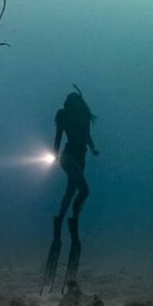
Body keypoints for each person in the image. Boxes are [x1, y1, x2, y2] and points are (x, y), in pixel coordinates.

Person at [53, 87, 99, 224]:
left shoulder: (84, 117)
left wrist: (93, 148)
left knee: (80, 191)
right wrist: (55, 154)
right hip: (68, 157)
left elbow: (87, 135)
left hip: (81, 156)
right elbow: (58, 137)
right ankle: (63, 221)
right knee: (78, 187)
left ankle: (68, 219)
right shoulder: (64, 116)